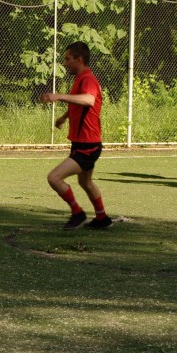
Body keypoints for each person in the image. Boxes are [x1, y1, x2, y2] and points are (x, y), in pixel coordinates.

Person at [39, 41, 113, 229]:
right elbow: (78, 104)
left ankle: (77, 213)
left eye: (67, 59)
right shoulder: (80, 79)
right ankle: (102, 218)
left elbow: (88, 100)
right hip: (84, 143)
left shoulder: (88, 79)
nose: (65, 63)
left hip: (88, 146)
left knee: (54, 178)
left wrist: (59, 96)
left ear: (79, 60)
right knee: (85, 182)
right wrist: (64, 117)